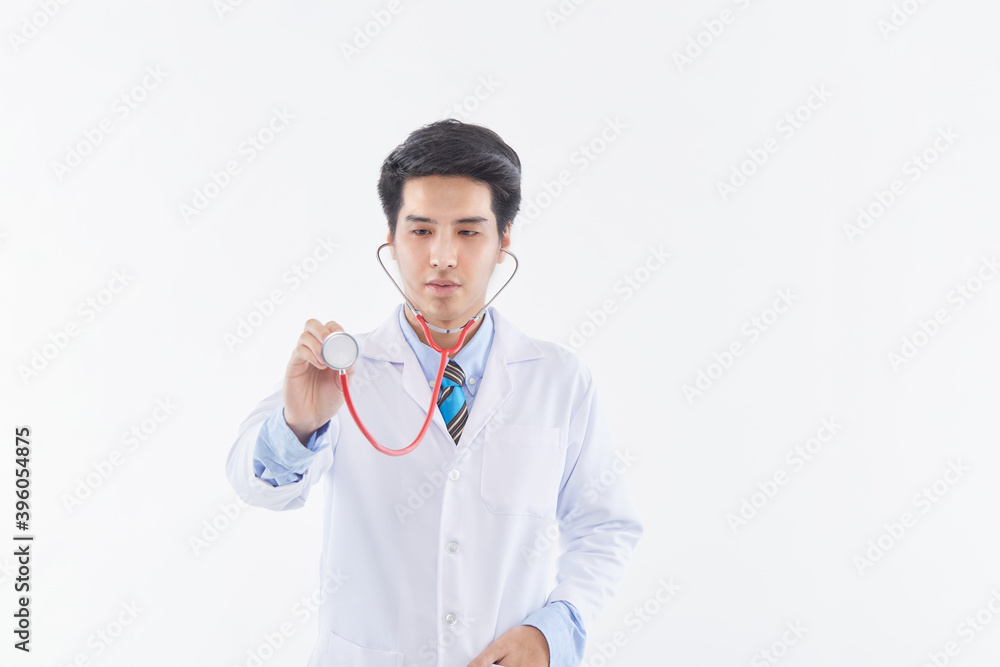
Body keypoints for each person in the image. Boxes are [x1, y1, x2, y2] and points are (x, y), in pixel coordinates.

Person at [225, 119, 643, 667]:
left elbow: (604, 525)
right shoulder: (339, 371)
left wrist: (551, 632)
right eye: (421, 231)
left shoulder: (558, 380)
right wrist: (300, 426)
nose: (442, 257)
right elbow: (258, 488)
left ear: (503, 241)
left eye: (469, 231)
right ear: (392, 242)